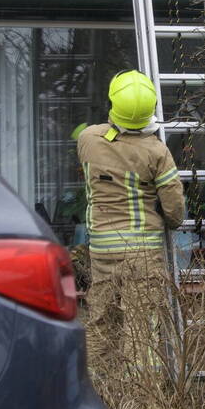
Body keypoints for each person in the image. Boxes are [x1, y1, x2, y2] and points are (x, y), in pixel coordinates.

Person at [76, 70, 184, 371]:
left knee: (101, 324)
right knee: (142, 332)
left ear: (113, 103)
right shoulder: (157, 152)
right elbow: (174, 211)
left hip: (101, 252)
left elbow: (104, 139)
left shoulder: (88, 140)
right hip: (142, 255)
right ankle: (143, 403)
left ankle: (97, 394)